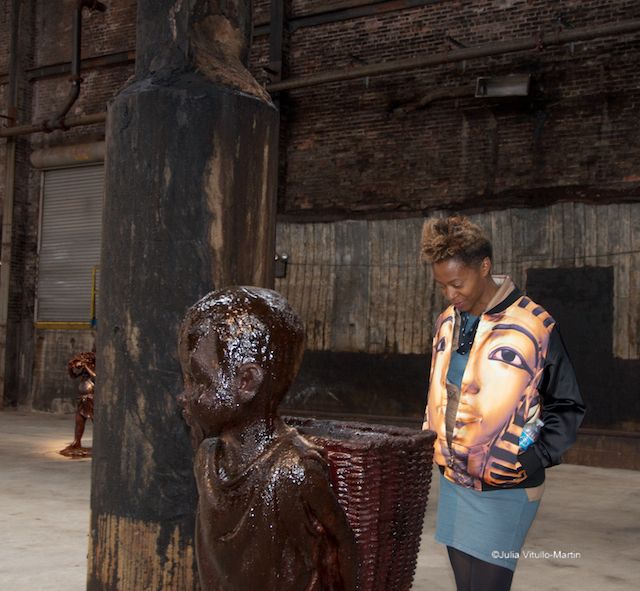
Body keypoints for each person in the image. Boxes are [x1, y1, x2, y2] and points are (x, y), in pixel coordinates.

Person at [420, 216, 585, 591]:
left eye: (457, 283)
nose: (450, 294)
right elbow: (440, 389)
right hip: (453, 480)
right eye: (442, 285)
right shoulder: (446, 322)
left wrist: (533, 458)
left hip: (506, 488)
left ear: (484, 267)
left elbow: (567, 404)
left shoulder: (534, 324)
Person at [178, 286, 358, 591]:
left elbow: (340, 554)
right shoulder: (207, 459)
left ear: (247, 382)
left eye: (199, 381)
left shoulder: (294, 472)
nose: (185, 396)